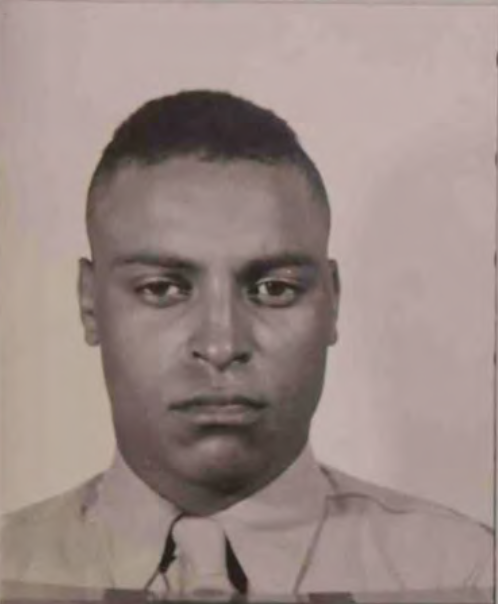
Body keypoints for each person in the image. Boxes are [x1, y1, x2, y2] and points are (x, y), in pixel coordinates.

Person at [0, 90, 493, 600]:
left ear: (332, 303)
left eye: (274, 289)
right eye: (162, 289)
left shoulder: (467, 575)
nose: (221, 345)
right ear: (89, 304)